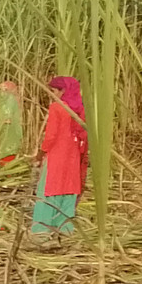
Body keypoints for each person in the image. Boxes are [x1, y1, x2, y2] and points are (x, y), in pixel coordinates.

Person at [31, 75, 87, 236]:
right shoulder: (80, 108)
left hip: (56, 155)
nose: (52, 94)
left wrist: (40, 153)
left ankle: (42, 229)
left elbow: (51, 136)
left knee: (49, 189)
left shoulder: (57, 108)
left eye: (54, 90)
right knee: (68, 189)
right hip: (73, 156)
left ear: (63, 91)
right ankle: (65, 229)